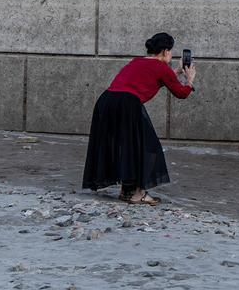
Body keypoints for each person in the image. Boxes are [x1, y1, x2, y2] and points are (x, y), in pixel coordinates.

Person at [82, 32, 195, 204]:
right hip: (127, 104)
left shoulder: (137, 61)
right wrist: (190, 80)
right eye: (170, 51)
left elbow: (153, 76)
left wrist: (176, 71)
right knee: (147, 147)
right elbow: (181, 93)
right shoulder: (161, 68)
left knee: (125, 146)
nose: (171, 55)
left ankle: (126, 191)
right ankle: (138, 193)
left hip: (107, 101)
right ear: (165, 51)